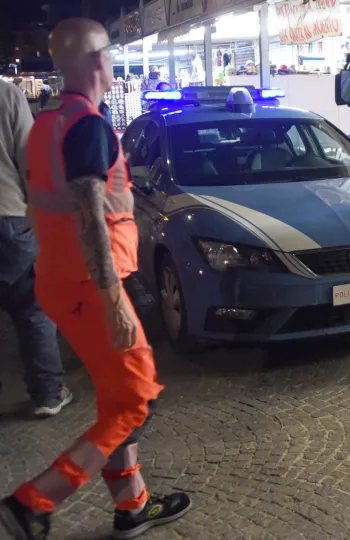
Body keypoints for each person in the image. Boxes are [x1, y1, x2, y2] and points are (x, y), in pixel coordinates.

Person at [0, 19, 191, 540]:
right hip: (91, 287)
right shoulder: (86, 126)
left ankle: (133, 507)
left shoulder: (49, 122)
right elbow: (88, 212)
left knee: (117, 396)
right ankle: (34, 502)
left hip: (60, 281)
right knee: (137, 400)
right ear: (97, 62)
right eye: (108, 52)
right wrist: (112, 300)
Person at [0, 78, 71, 418]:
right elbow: (32, 161)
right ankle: (47, 394)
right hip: (8, 220)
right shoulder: (6, 94)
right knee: (32, 309)